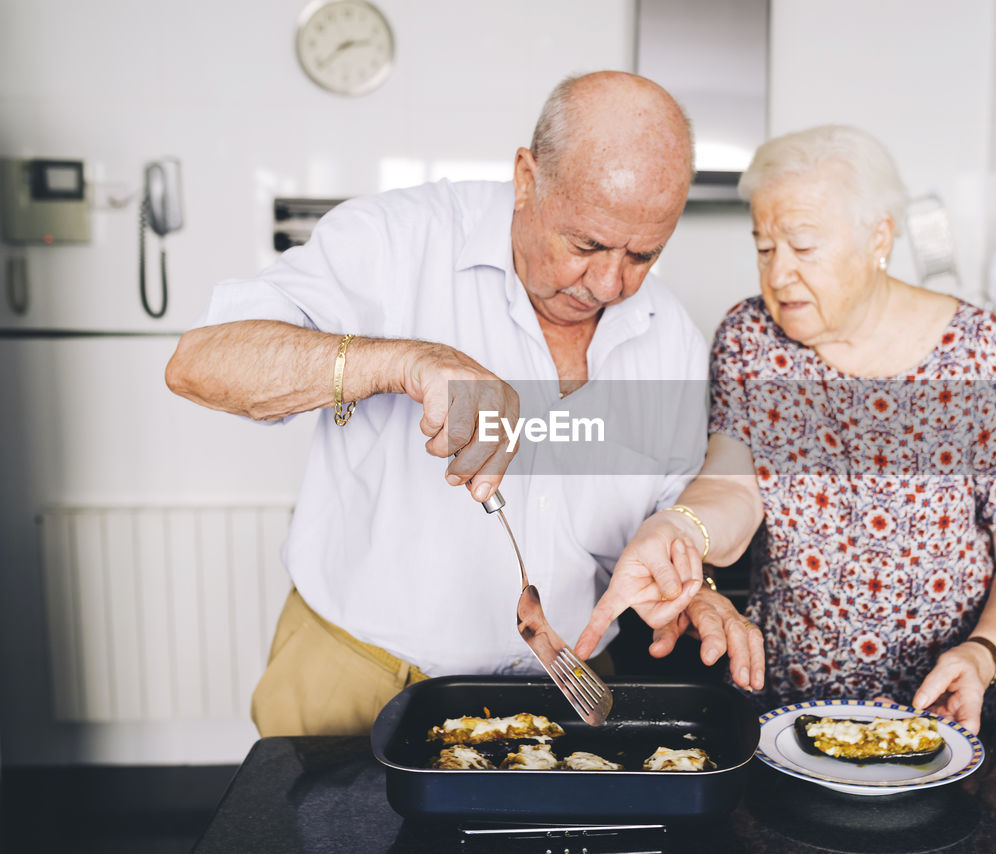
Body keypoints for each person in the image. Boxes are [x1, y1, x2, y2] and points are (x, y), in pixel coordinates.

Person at [165, 71, 711, 736]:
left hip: (567, 695)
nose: (608, 283)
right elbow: (201, 362)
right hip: (359, 677)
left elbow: (675, 510)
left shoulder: (673, 338)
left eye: (643, 255)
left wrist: (693, 581)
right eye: (585, 245)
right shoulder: (394, 241)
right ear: (526, 178)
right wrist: (404, 362)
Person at [576, 125, 996, 734]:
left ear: (879, 237)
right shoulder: (751, 339)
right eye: (764, 247)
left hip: (947, 709)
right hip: (788, 713)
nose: (779, 274)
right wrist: (679, 529)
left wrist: (984, 652)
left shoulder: (978, 352)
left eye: (804, 246)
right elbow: (733, 487)